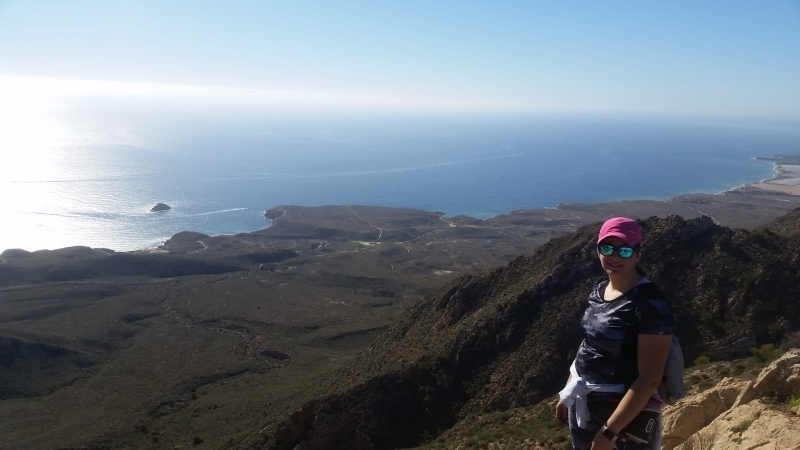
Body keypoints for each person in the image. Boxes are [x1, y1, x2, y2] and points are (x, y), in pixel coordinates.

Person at [555, 217, 674, 450]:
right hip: (584, 406)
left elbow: (650, 378)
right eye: (607, 248)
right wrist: (568, 391)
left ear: (637, 254)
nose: (615, 256)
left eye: (625, 250)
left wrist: (609, 433)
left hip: (623, 418)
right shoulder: (599, 290)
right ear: (598, 251)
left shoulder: (650, 303)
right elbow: (589, 343)